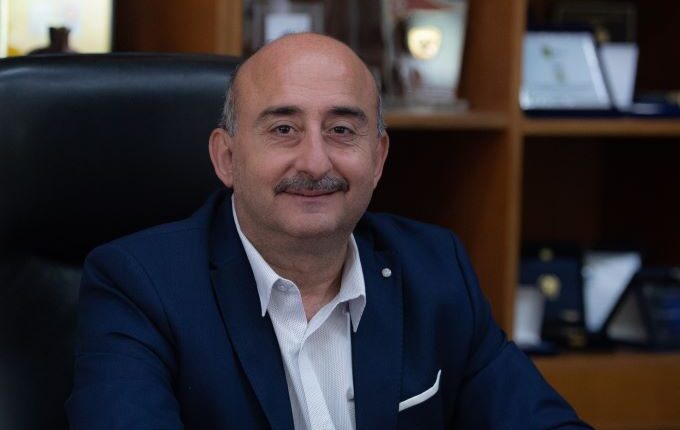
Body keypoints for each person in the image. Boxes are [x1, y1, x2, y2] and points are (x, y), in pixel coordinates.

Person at [66, 33, 590, 429]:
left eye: (341, 130)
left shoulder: (436, 269)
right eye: (283, 129)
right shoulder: (139, 286)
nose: (315, 162)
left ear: (378, 158)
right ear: (226, 158)